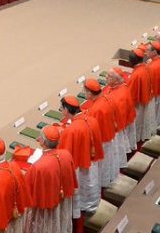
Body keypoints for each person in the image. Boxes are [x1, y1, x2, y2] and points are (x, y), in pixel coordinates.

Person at [58, 95, 103, 230]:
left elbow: (64, 157)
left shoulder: (71, 130)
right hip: (92, 165)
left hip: (79, 170)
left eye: (61, 109)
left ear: (67, 110)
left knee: (79, 202)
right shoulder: (91, 120)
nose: (61, 111)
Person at [24, 126, 77, 233]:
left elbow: (27, 195)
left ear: (42, 142)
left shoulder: (38, 167)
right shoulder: (67, 155)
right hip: (62, 206)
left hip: (47, 212)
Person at [81, 79, 121, 187]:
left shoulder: (96, 109)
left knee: (102, 164)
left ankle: (103, 183)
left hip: (102, 141)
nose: (83, 93)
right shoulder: (106, 97)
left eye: (84, 91)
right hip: (110, 134)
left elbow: (91, 130)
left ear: (90, 93)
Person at [127, 47, 156, 141]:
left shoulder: (136, 75)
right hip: (147, 97)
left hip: (139, 104)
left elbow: (131, 95)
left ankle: (137, 138)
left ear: (132, 61)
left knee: (138, 121)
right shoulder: (146, 67)